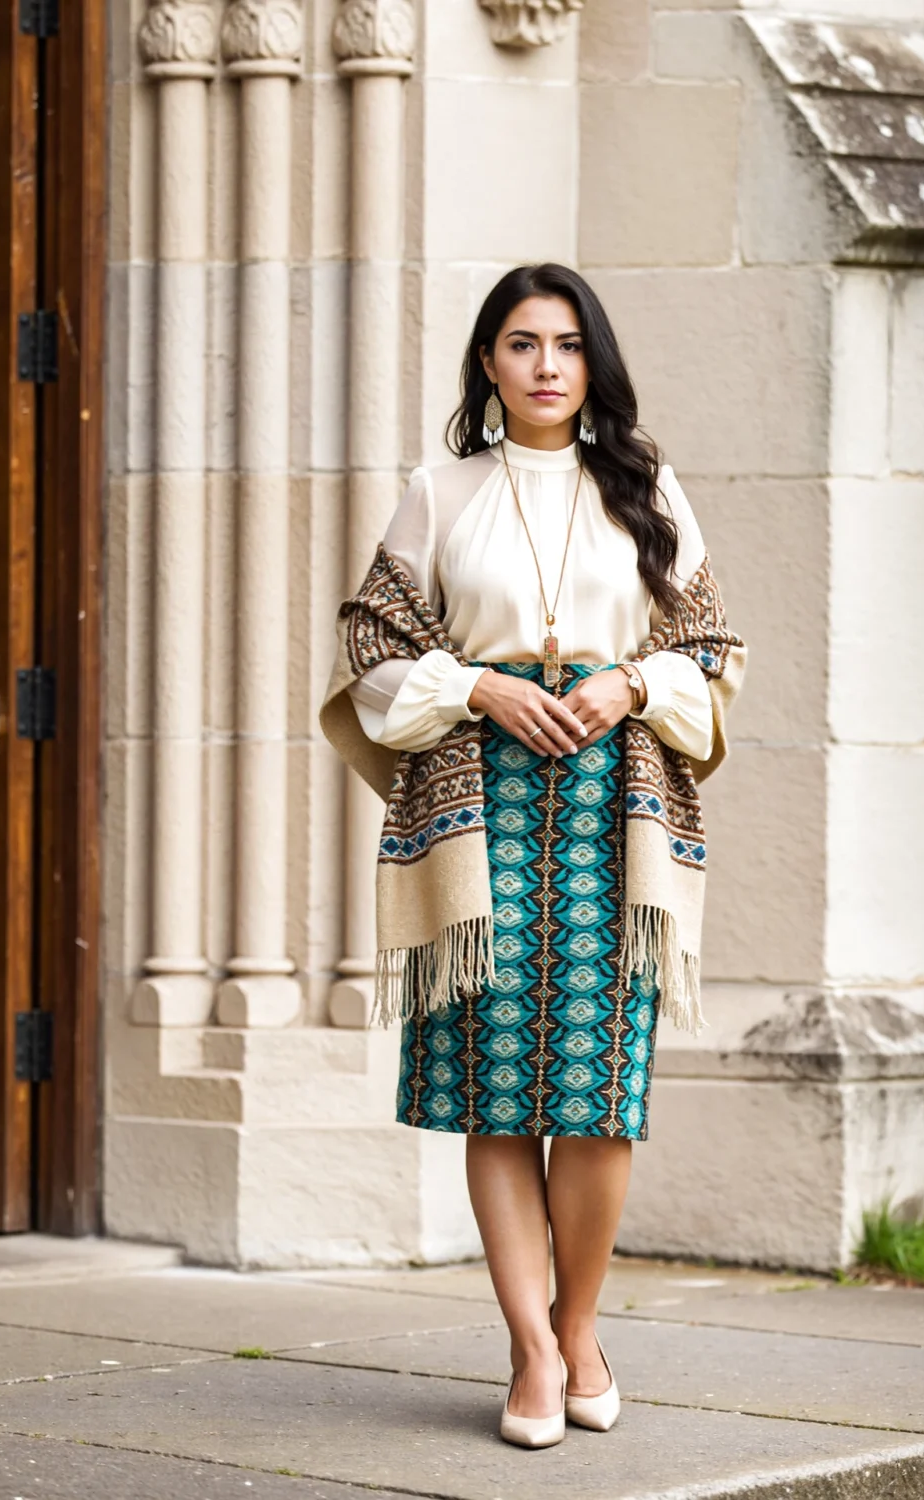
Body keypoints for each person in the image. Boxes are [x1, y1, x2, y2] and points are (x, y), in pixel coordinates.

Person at [320, 263, 745, 1449]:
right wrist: (478, 689)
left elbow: (709, 646)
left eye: (565, 344)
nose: (545, 364)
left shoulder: (647, 488)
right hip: (479, 806)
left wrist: (626, 681)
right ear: (488, 364)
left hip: (617, 807)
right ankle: (529, 1349)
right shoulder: (439, 488)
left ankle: (580, 1326)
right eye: (520, 343)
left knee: (599, 1093)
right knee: (496, 1092)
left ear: (590, 362)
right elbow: (370, 643)